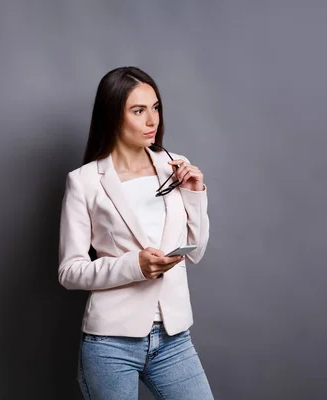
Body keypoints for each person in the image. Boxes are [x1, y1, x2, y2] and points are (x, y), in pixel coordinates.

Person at [58, 66, 213, 399]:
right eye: (138, 110)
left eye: (155, 108)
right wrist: (134, 266)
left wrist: (196, 194)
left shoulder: (175, 166)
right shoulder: (84, 182)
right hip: (110, 344)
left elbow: (195, 251)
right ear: (113, 116)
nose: (152, 120)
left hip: (173, 340)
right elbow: (69, 272)